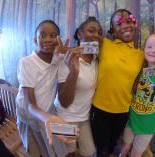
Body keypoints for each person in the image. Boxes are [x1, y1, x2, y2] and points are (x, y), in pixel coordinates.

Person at [90, 9, 155, 157]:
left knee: (112, 146)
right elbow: (83, 50)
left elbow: (148, 73)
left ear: (134, 24)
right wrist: (67, 51)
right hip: (99, 109)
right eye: (119, 23)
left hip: (123, 112)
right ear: (113, 30)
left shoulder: (141, 55)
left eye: (128, 21)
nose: (124, 25)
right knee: (100, 147)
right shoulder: (104, 44)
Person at [16, 19, 77, 157]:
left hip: (48, 111)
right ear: (35, 40)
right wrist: (47, 118)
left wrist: (70, 57)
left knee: (62, 144)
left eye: (53, 35)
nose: (48, 39)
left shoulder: (58, 58)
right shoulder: (27, 62)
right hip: (29, 114)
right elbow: (30, 105)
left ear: (58, 39)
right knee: (36, 151)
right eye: (42, 35)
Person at [53, 16, 103, 157]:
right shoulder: (66, 58)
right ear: (80, 34)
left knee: (90, 152)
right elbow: (64, 101)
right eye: (91, 31)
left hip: (84, 118)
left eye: (100, 33)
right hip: (65, 118)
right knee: (68, 153)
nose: (96, 35)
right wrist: (73, 71)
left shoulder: (96, 60)